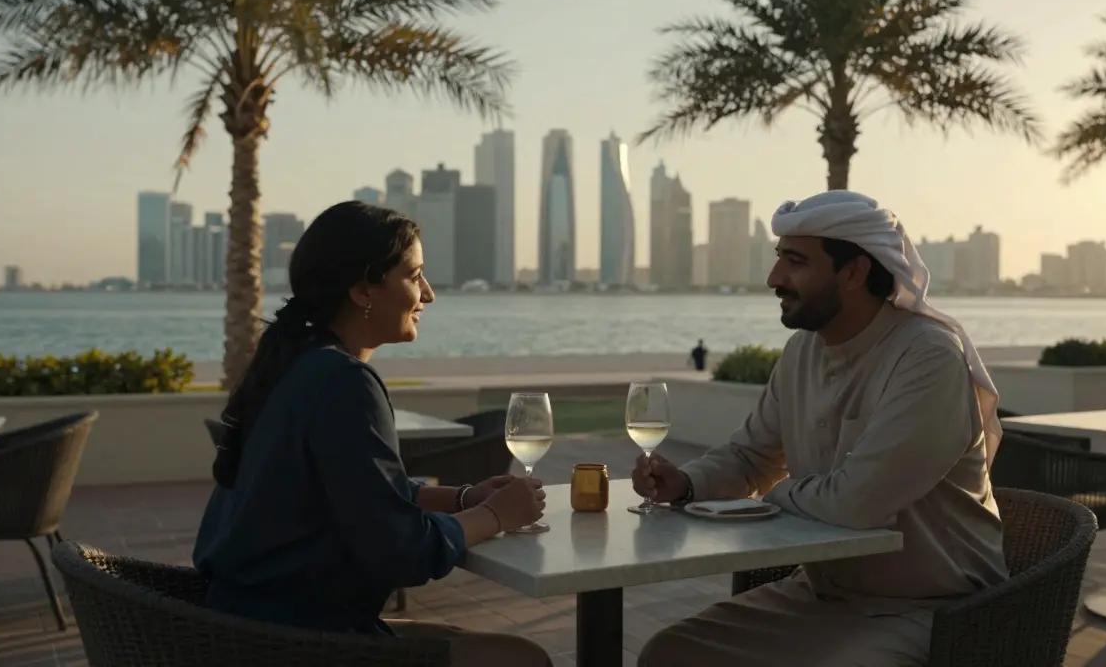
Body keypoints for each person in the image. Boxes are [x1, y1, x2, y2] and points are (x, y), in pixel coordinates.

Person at [633, 191, 1008, 667]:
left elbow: (857, 503)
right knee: (670, 654)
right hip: (821, 594)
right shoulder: (802, 352)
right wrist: (687, 482)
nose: (774, 279)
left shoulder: (927, 356)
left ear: (853, 272)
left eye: (795, 262)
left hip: (934, 606)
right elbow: (752, 457)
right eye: (778, 260)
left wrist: (776, 496)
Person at [192, 201, 551, 666]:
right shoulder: (342, 381)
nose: (428, 294)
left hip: (244, 629)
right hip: (297, 643)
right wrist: (498, 516)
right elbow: (402, 553)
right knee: (521, 659)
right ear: (363, 289)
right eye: (414, 275)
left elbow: (358, 494)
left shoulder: (294, 365)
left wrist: (464, 497)